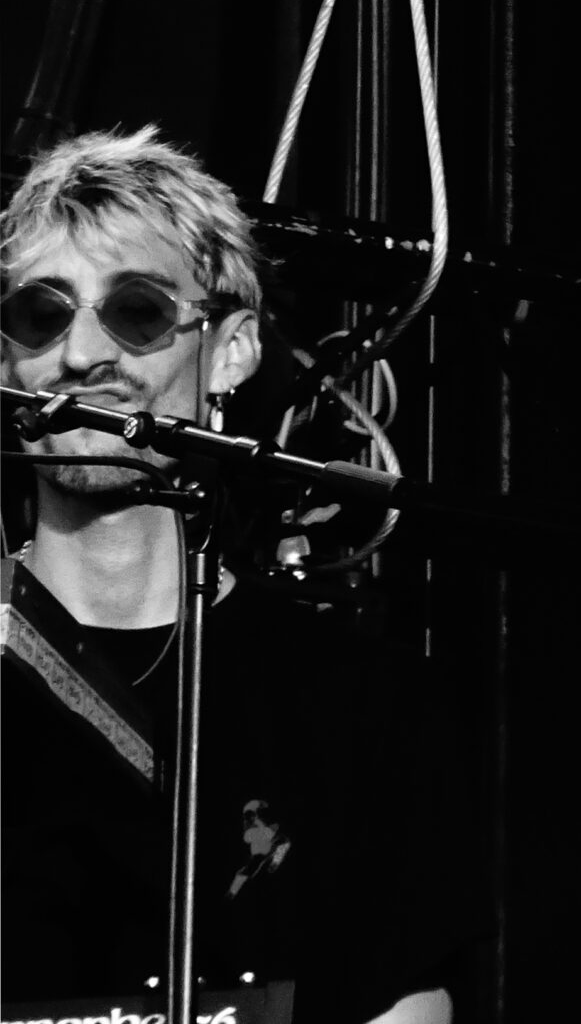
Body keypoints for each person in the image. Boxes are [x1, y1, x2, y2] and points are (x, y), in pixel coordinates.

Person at [1, 127, 468, 1024]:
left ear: (231, 350)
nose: (81, 352)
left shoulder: (362, 707)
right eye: (40, 312)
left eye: (136, 309)